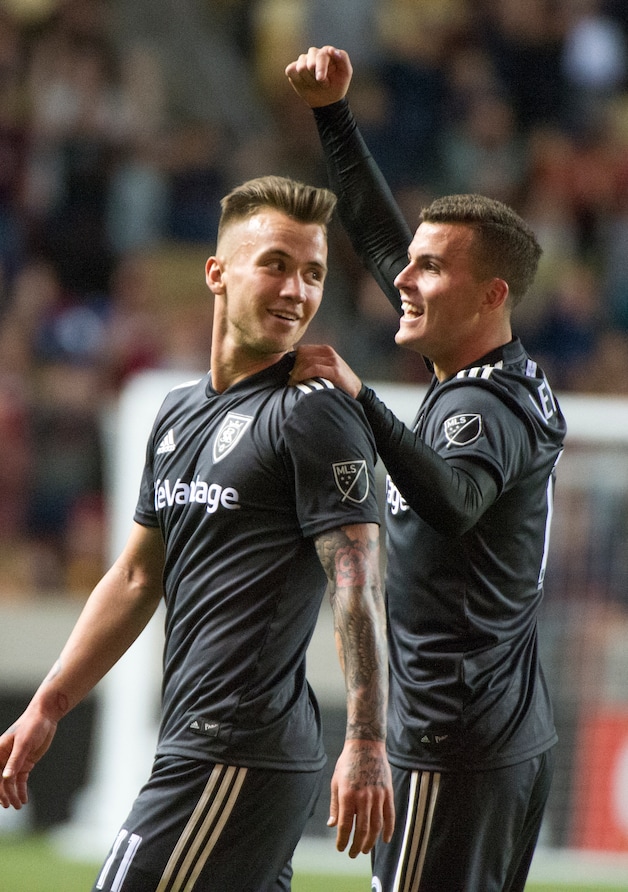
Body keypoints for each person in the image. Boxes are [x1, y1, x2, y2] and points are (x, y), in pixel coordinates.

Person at [0, 174, 394, 891]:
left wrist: (364, 739)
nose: (297, 290)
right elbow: (139, 576)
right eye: (275, 264)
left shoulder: (314, 416)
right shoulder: (176, 414)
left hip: (236, 745)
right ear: (217, 272)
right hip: (208, 741)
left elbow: (358, 585)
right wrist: (48, 704)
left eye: (314, 273)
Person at [285, 47, 567, 892]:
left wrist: (360, 397)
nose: (403, 277)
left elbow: (453, 501)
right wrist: (332, 112)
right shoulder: (496, 375)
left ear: (492, 298)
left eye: (431, 268)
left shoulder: (480, 409)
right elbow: (378, 237)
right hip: (493, 735)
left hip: (455, 741)